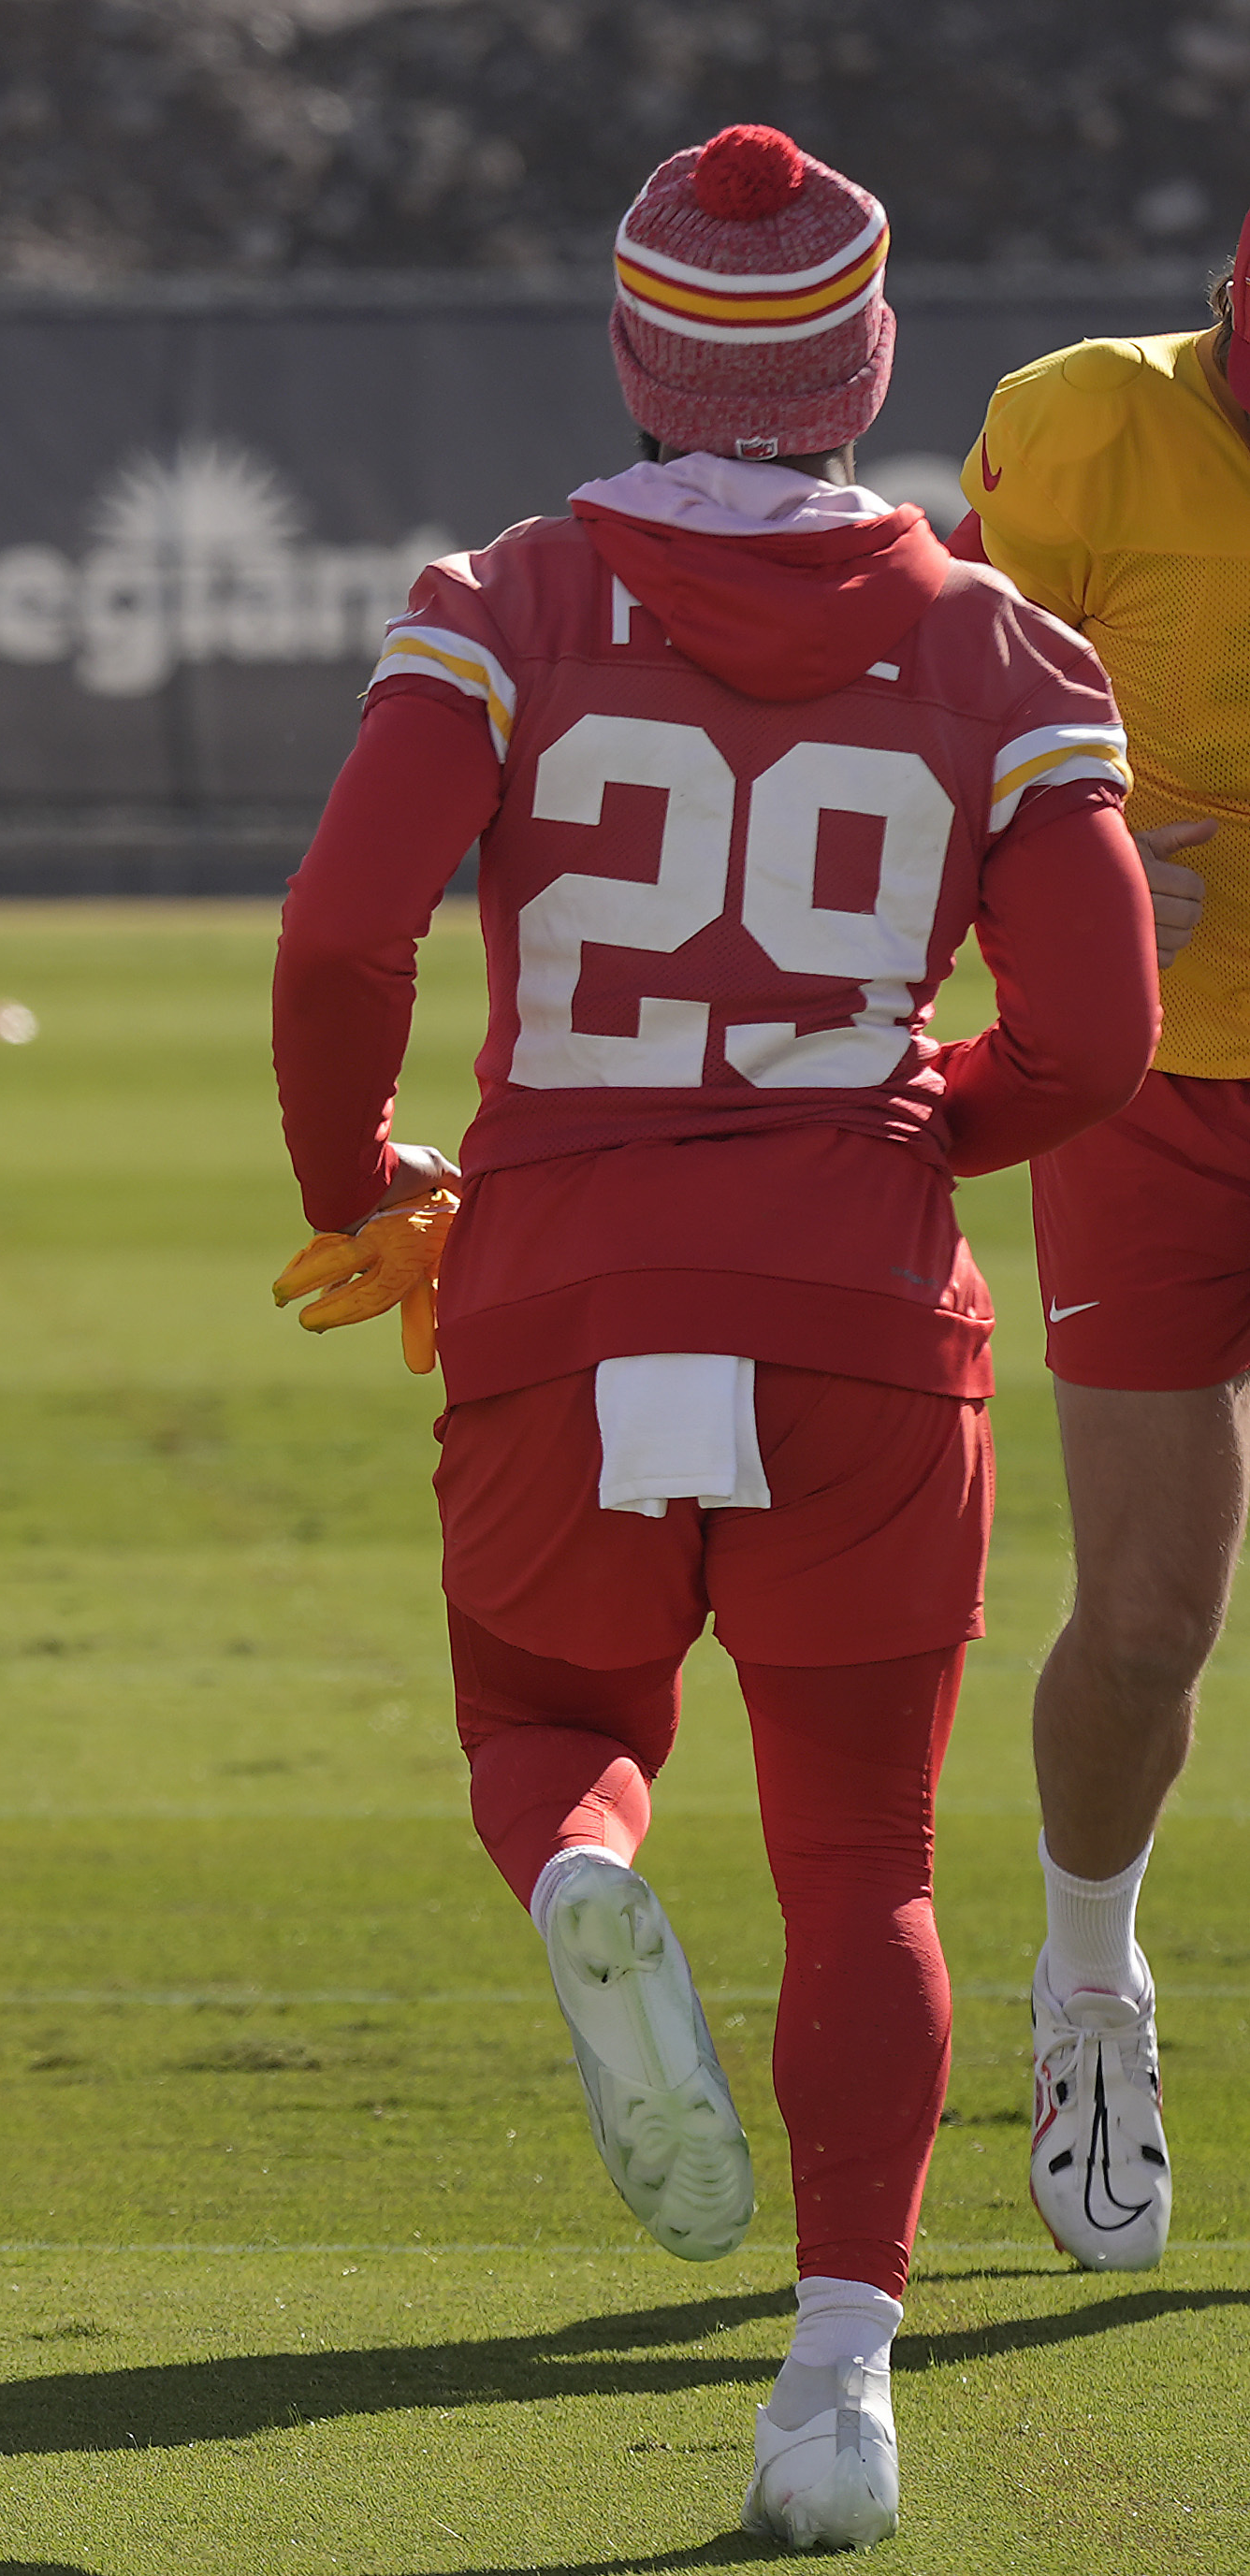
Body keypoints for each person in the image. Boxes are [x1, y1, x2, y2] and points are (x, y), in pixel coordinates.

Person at [269, 126, 1156, 2548]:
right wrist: (891, 1133)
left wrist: (363, 1187)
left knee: (547, 1723)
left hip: (561, 1284)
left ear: (634, 350)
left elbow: (345, 937)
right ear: (868, 367)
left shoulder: (515, 595)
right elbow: (1092, 1030)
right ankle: (837, 2385)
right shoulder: (996, 645)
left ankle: (577, 1862)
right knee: (862, 1853)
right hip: (866, 1312)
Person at [944, 225, 1250, 2281]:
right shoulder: (1079, 421)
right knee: (1145, 1615)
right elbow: (936, 744)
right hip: (1152, 1090)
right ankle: (1083, 1985)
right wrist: (1088, 869)